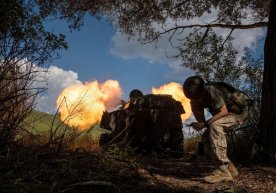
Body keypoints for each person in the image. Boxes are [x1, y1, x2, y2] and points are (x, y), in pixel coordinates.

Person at [183, 76, 250, 183]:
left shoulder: (211, 90)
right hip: (226, 114)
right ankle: (230, 169)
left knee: (215, 126)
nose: (195, 100)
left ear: (202, 90)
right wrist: (199, 122)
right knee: (206, 136)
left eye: (197, 98)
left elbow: (224, 112)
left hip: (239, 113)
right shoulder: (195, 99)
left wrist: (204, 123)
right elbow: (202, 122)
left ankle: (223, 171)